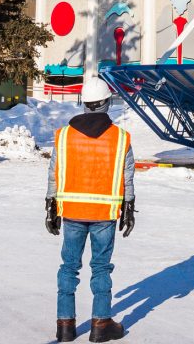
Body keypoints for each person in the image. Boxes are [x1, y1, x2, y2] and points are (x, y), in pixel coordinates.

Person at [46, 78, 135, 342]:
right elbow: (126, 174)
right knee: (101, 268)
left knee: (69, 267)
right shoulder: (120, 138)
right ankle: (100, 324)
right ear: (107, 103)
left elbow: (54, 171)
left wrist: (51, 205)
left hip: (72, 211)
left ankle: (65, 325)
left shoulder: (64, 136)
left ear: (83, 104)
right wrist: (128, 206)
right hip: (104, 215)